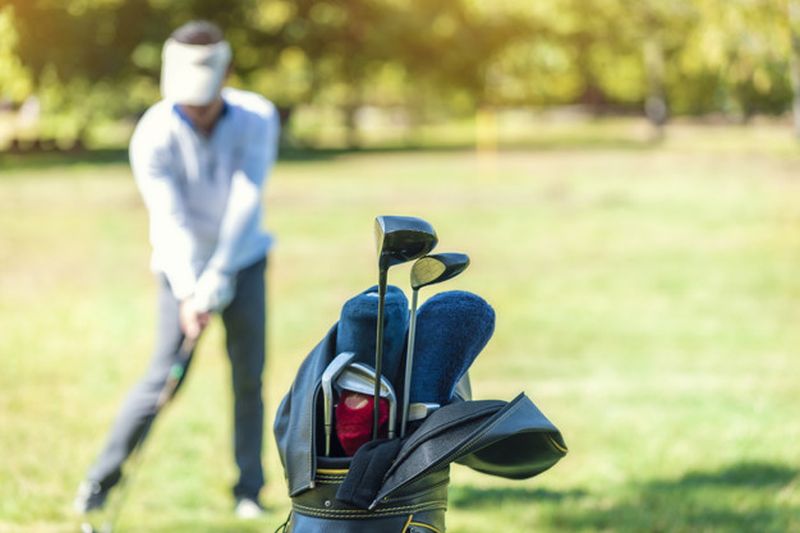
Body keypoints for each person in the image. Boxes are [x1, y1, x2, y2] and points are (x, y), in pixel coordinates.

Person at [74, 20, 279, 519]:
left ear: (226, 74)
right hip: (178, 269)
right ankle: (99, 483)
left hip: (244, 260)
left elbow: (246, 198)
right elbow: (170, 220)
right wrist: (191, 291)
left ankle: (249, 490)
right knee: (163, 378)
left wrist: (222, 272)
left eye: (203, 101)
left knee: (248, 379)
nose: (195, 109)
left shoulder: (258, 117)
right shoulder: (152, 132)